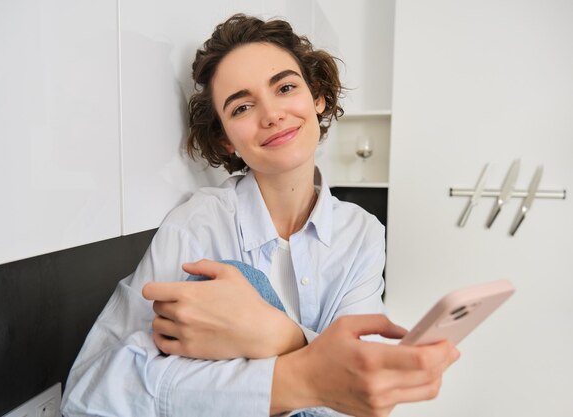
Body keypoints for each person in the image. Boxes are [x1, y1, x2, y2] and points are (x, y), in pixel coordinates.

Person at [61, 13, 459, 417]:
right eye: (242, 107)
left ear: (316, 96)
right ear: (225, 139)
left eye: (285, 87)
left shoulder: (361, 233)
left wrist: (276, 335)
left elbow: (360, 397)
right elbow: (90, 394)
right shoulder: (198, 226)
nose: (271, 114)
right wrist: (298, 368)